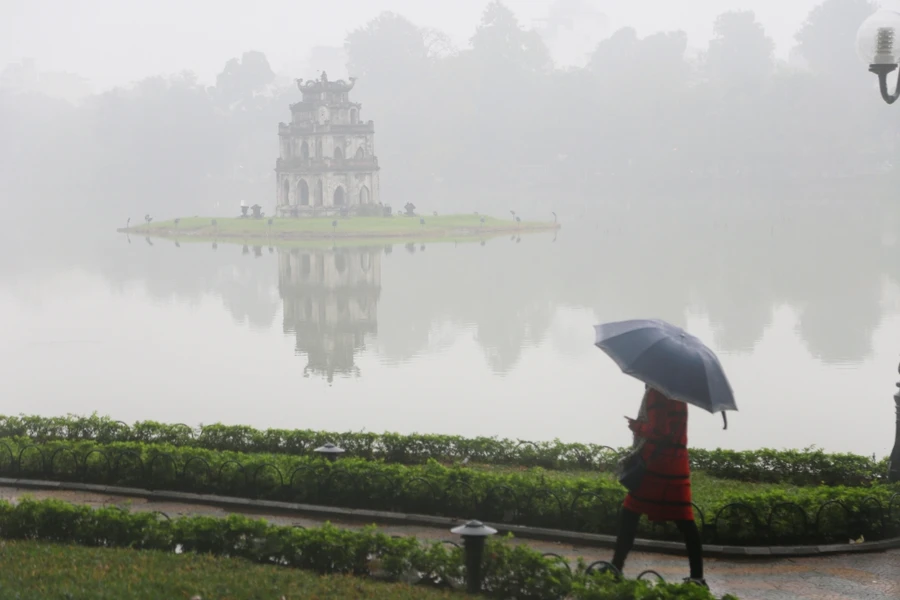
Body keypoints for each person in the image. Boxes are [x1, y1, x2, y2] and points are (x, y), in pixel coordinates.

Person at [611, 385, 706, 587]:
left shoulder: (656, 393)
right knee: (685, 521)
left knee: (629, 513)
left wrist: (637, 427)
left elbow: (660, 431)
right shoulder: (679, 395)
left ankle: (615, 568)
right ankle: (698, 577)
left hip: (657, 468)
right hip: (677, 465)